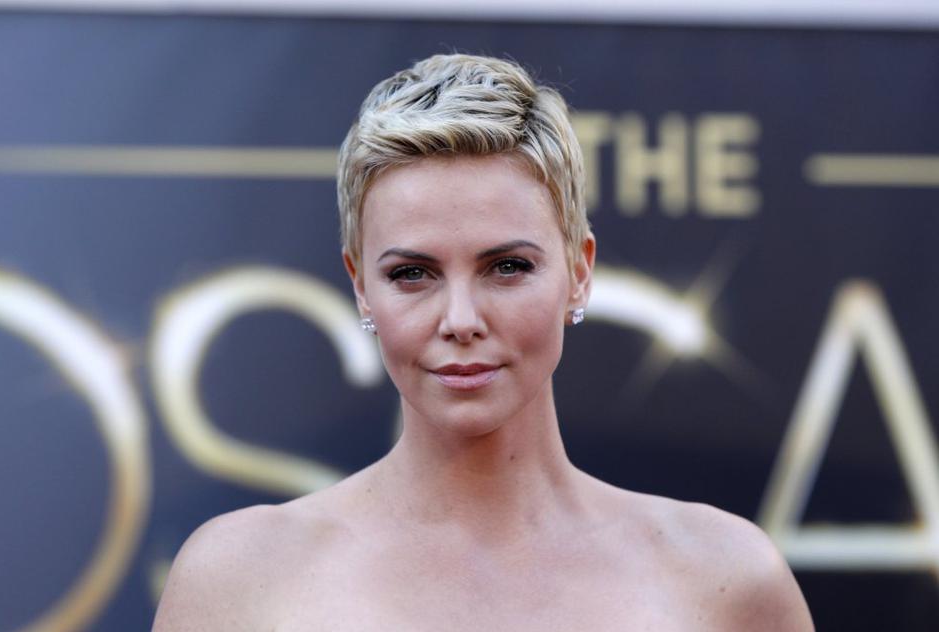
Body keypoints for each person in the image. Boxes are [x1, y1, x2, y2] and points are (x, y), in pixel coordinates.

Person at [152, 53, 814, 631]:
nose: (460, 319)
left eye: (507, 267)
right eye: (412, 274)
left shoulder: (722, 578)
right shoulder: (241, 578)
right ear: (360, 287)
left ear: (579, 272)